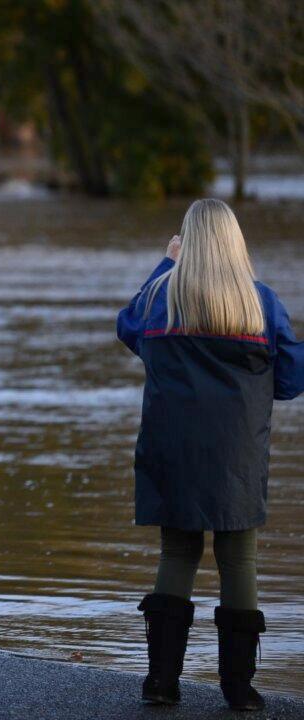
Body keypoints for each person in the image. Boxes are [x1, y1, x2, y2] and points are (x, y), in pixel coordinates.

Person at [117, 198, 304, 711]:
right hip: (235, 454)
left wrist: (165, 264)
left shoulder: (160, 298)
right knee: (237, 557)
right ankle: (238, 689)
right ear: (236, 244)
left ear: (187, 243)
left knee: (177, 551)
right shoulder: (260, 303)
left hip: (171, 446)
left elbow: (127, 328)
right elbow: (290, 381)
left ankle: (161, 682)